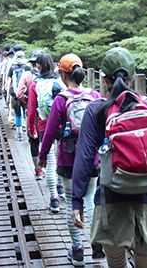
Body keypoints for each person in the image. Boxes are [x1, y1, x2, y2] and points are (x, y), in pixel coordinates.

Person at [71, 47, 147, 268]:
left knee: (117, 265)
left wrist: (77, 200)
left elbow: (85, 158)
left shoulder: (95, 109)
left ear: (103, 78)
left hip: (111, 204)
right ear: (131, 76)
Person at [37, 54, 100, 266]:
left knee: (72, 201)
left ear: (63, 74)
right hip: (92, 157)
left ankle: (77, 250)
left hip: (67, 157)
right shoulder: (95, 95)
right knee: (90, 199)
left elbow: (49, 132)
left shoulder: (61, 100)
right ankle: (96, 242)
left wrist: (43, 157)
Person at [27, 52, 62, 202]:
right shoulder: (60, 83)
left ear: (39, 66)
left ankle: (54, 198)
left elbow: (31, 110)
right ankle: (61, 186)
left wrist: (31, 128)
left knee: (49, 162)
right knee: (61, 157)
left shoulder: (35, 85)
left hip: (44, 126)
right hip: (61, 125)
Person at [7, 50, 30, 140]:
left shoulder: (12, 68)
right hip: (25, 95)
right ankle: (28, 132)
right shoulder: (27, 67)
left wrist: (8, 96)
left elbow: (9, 82)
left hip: (14, 95)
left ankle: (19, 134)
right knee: (26, 113)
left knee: (17, 115)